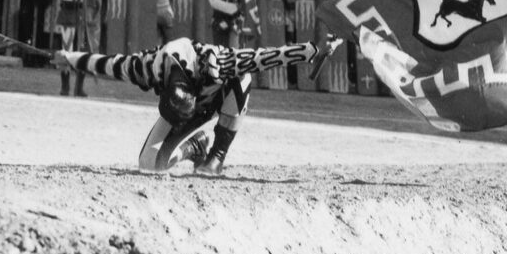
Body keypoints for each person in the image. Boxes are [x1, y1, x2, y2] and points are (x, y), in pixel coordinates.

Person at [53, 36, 338, 175]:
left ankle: (217, 153)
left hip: (213, 98)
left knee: (244, 76)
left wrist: (314, 50)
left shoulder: (219, 61)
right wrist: (68, 57)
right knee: (149, 165)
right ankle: (194, 147)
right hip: (181, 109)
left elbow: (267, 56)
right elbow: (108, 64)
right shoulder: (149, 67)